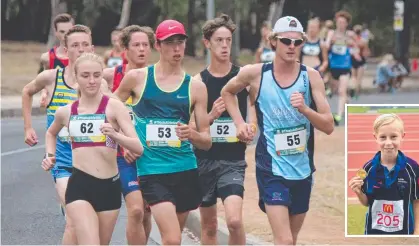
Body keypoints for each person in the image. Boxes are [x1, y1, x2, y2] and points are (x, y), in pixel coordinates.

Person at [221, 16, 334, 245]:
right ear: (273, 42)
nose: (292, 47)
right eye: (285, 41)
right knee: (283, 240)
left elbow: (328, 125)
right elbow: (227, 92)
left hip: (303, 170)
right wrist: (240, 124)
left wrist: (304, 109)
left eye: (297, 42)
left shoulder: (310, 77)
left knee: (290, 240)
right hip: (271, 167)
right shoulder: (256, 73)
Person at [114, 19, 212, 245]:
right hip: (151, 170)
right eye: (170, 43)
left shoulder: (195, 87)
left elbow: (206, 141)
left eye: (180, 42)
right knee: (173, 239)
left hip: (185, 168)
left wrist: (192, 134)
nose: (176, 48)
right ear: (158, 46)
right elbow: (110, 110)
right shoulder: (138, 79)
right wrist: (124, 142)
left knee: (173, 239)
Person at [42, 52, 143, 244]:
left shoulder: (114, 107)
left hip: (110, 187)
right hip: (79, 186)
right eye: (85, 75)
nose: (91, 81)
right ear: (77, 78)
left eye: (97, 75)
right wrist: (49, 154)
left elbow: (138, 147)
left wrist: (116, 135)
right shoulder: (66, 111)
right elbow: (50, 133)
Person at [22, 24, 100, 245]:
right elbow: (27, 91)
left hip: (92, 165)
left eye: (85, 44)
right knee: (74, 220)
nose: (81, 49)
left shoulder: (99, 83)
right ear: (66, 49)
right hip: (63, 161)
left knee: (85, 222)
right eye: (75, 45)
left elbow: (116, 113)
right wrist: (28, 127)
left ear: (92, 48)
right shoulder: (52, 78)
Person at [192, 14, 257, 245]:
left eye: (228, 40)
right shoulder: (197, 81)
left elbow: (253, 108)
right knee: (209, 226)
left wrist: (251, 128)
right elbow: (190, 128)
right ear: (207, 43)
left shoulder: (242, 78)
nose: (224, 45)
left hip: (233, 160)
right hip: (204, 161)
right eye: (219, 40)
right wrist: (210, 117)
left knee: (234, 221)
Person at [103, 24, 155, 245]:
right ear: (125, 48)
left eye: (146, 45)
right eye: (136, 45)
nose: (142, 49)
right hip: (122, 156)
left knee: (146, 211)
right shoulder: (109, 75)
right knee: (135, 210)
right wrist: (126, 145)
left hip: (152, 154)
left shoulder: (158, 77)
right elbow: (104, 114)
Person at [348, 113, 419, 235]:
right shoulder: (367, 169)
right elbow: (366, 202)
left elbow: (417, 200)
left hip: (404, 233)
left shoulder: (412, 168)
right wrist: (358, 192)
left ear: (402, 136)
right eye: (383, 137)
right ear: (375, 137)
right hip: (374, 234)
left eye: (393, 137)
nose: (388, 142)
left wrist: (416, 231)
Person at [325, 10, 358, 125]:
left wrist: (352, 47)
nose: (341, 24)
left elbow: (356, 47)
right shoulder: (331, 33)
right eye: (339, 22)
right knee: (334, 90)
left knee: (341, 91)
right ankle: (346, 104)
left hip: (345, 66)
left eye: (343, 22)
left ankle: (338, 116)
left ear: (346, 24)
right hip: (333, 66)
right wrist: (332, 42)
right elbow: (326, 46)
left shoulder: (350, 34)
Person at [39, 13, 75, 108]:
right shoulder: (47, 57)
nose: (66, 35)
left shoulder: (82, 56)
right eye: (62, 32)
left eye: (69, 31)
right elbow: (45, 81)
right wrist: (44, 94)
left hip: (77, 104)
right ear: (55, 32)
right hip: (56, 105)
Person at [350, 24, 370, 99]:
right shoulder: (363, 41)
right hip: (361, 60)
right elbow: (366, 52)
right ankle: (356, 93)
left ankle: (353, 88)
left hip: (352, 59)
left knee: (353, 77)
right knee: (359, 78)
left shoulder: (351, 41)